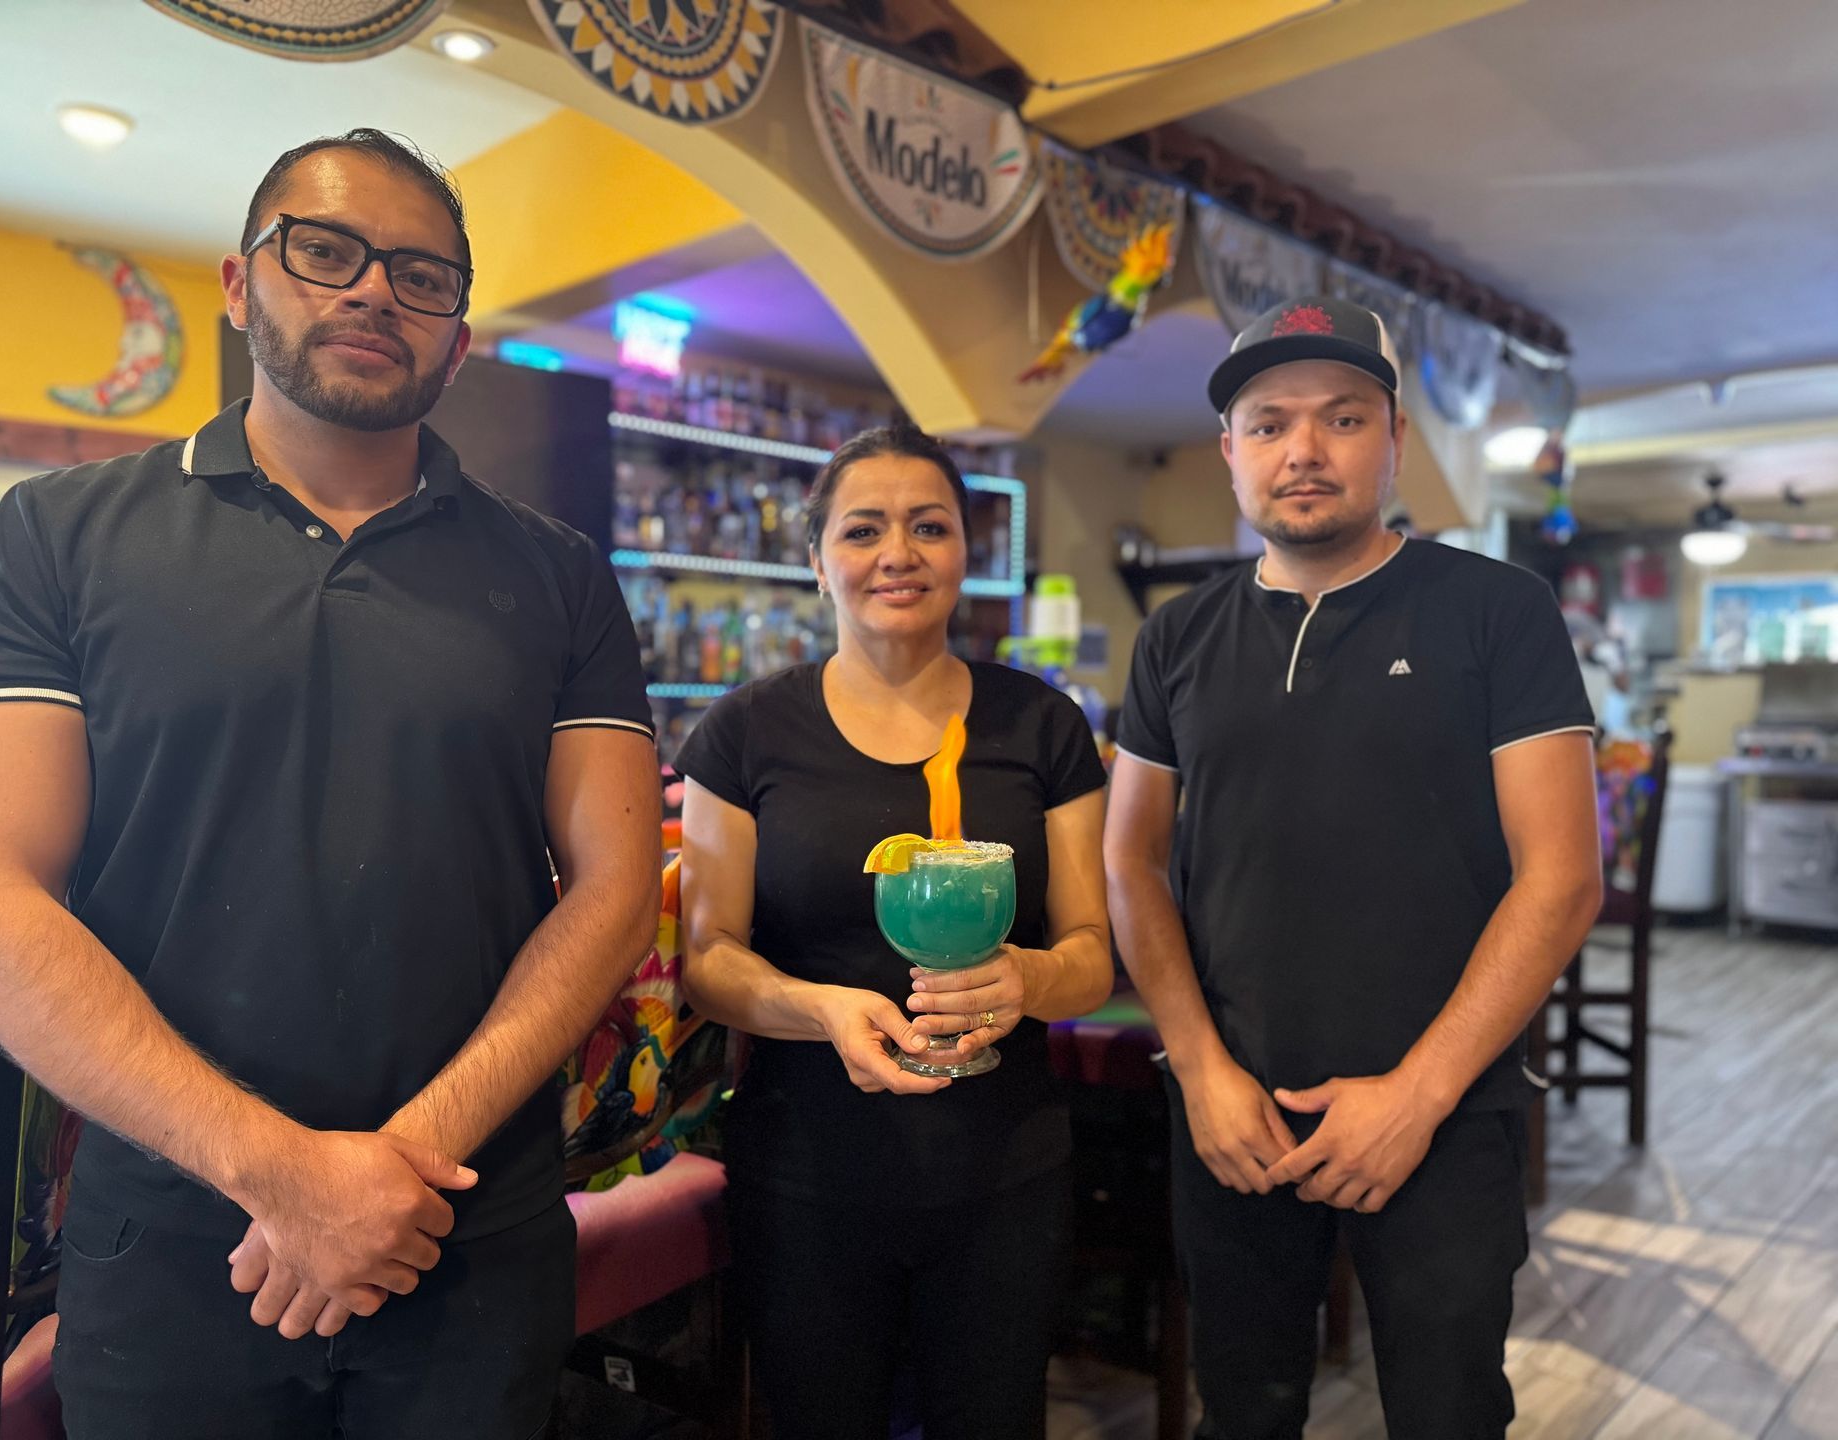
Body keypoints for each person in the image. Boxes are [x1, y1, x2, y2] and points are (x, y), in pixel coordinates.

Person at [0, 129, 662, 1438]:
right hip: (171, 1239)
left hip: (470, 1233)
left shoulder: (557, 577)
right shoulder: (56, 537)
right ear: (238, 283)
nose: (374, 289)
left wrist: (398, 1170)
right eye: (325, 252)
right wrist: (284, 1176)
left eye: (423, 275)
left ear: (460, 336)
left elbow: (610, 890)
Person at [1103, 296, 1603, 1440]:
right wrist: (1200, 1069)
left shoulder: (1498, 611)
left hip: (1444, 1106)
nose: (1305, 451)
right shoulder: (1175, 639)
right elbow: (1130, 863)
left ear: (1394, 440)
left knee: (1449, 1410)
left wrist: (1416, 1098)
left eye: (1342, 418)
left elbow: (1563, 875)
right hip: (1236, 1106)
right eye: (1270, 424)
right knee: (1245, 1407)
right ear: (1231, 452)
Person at [676, 425, 1112, 1440]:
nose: (898, 554)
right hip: (807, 1171)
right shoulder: (742, 735)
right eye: (863, 529)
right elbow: (709, 959)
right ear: (816, 558)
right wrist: (824, 1009)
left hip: (1003, 1166)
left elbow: (1093, 951)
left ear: (967, 549)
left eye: (930, 527)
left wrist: (1027, 981)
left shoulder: (1042, 729)